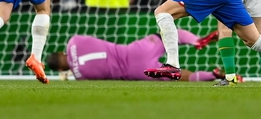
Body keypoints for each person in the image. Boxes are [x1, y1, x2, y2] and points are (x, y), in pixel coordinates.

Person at [46, 32, 222, 82]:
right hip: (135, 51)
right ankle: (196, 41)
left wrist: (72, 72)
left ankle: (214, 74)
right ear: (62, 53)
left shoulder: (81, 76)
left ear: (61, 68)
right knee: (166, 34)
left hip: (137, 71)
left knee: (181, 76)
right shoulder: (74, 41)